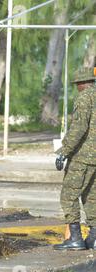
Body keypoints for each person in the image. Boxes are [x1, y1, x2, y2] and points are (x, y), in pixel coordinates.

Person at [54, 67, 96, 251]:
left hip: (82, 157)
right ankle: (94, 238)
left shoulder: (84, 97)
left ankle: (76, 238)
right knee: (91, 197)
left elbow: (79, 128)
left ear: (81, 84)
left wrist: (64, 151)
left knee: (68, 196)